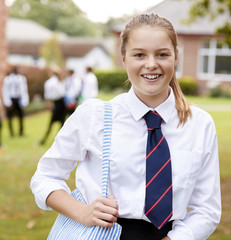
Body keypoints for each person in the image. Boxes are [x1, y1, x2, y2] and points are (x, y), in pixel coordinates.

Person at [31, 13, 221, 240]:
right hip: (102, 233)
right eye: (139, 55)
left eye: (162, 54)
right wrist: (83, 212)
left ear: (175, 57)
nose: (151, 64)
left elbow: (206, 209)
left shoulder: (200, 125)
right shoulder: (95, 116)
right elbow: (45, 177)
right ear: (123, 59)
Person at [39, 67, 66, 145]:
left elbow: (47, 95)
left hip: (57, 103)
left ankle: (45, 140)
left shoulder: (50, 82)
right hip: (62, 103)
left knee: (52, 123)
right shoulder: (61, 80)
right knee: (62, 123)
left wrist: (48, 104)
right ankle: (59, 140)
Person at [2, 66, 29, 137]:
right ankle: (11, 133)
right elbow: (5, 91)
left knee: (21, 117)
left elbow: (24, 90)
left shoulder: (22, 78)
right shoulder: (7, 79)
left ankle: (21, 132)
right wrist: (7, 102)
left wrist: (25, 100)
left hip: (19, 99)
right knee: (10, 117)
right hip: (11, 99)